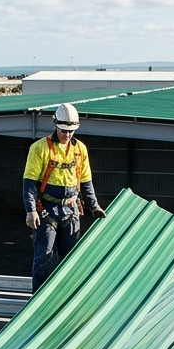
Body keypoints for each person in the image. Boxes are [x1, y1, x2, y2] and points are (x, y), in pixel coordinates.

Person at [22, 103, 105, 292]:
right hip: (46, 210)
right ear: (55, 125)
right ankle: (38, 299)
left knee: (71, 259)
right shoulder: (40, 148)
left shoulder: (80, 150)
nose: (67, 135)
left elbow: (85, 180)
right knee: (44, 257)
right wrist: (31, 210)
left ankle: (66, 297)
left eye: (71, 131)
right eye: (63, 131)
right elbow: (29, 182)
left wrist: (93, 206)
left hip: (71, 209)